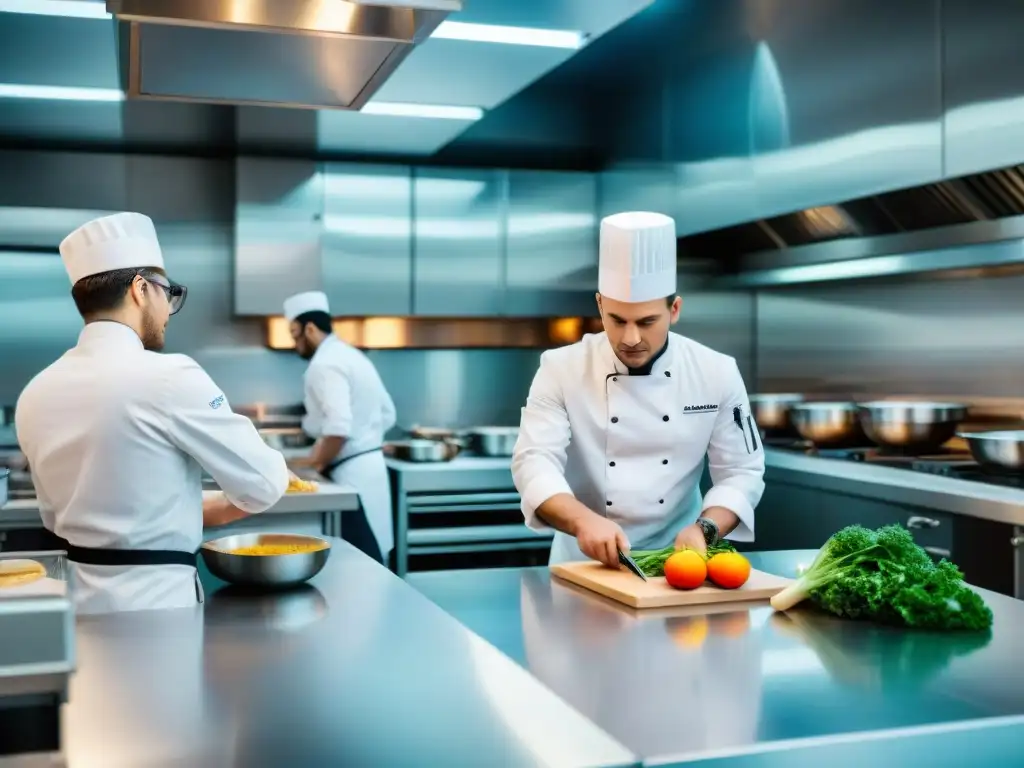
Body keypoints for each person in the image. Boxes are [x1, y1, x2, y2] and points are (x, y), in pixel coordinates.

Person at [15, 212, 290, 614]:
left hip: (77, 609)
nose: (167, 309)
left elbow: (60, 519)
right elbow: (264, 484)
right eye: (168, 292)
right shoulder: (169, 376)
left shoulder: (35, 393)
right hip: (160, 606)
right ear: (141, 289)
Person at [511, 211, 765, 565]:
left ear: (674, 310)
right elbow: (534, 461)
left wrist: (705, 529)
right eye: (617, 320)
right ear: (600, 305)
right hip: (582, 565)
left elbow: (742, 471)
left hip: (680, 565)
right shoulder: (561, 368)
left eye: (647, 322)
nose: (630, 339)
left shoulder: (716, 371)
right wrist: (583, 521)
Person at [282, 291, 397, 565]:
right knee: (375, 560)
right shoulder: (351, 355)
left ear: (310, 328)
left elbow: (337, 428)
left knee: (358, 563)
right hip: (371, 468)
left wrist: (316, 463)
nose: (295, 343)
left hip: (349, 475)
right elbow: (388, 414)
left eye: (295, 334)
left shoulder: (324, 364)